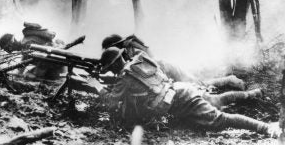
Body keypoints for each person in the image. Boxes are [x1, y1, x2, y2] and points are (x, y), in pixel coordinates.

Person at [87, 47, 280, 137]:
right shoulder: (139, 62)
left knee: (219, 120)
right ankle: (251, 95)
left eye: (110, 68)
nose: (111, 71)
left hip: (179, 100)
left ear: (113, 65)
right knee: (216, 101)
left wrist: (95, 85)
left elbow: (111, 102)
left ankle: (267, 128)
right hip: (178, 90)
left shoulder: (124, 78)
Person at [101, 34, 245, 90]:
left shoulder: (132, 49)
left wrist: (134, 44)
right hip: (162, 71)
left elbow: (150, 58)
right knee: (196, 83)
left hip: (165, 68)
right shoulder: (126, 53)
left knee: (198, 84)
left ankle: (230, 80)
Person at [0, 22, 66, 79]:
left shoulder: (27, 44)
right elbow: (21, 68)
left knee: (30, 77)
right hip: (55, 64)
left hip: (56, 65)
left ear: (10, 45)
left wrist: (36, 75)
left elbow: (45, 58)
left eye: (6, 49)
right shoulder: (24, 45)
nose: (8, 51)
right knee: (28, 75)